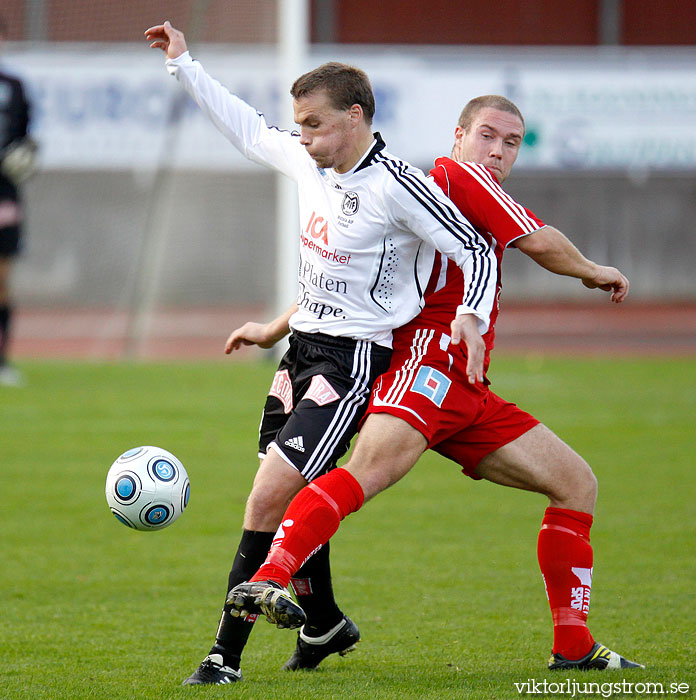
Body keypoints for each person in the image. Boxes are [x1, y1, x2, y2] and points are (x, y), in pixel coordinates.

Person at [228, 96, 644, 672]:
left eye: (511, 143)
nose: (496, 152)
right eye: (487, 136)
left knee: (577, 484)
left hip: (467, 385)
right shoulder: (455, 176)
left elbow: (346, 275)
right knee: (364, 476)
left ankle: (573, 647)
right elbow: (539, 241)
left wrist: (273, 325)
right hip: (427, 362)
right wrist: (596, 271)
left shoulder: (429, 188)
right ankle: (269, 577)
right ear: (458, 137)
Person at [145, 21, 499, 685]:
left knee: (266, 498)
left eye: (313, 125)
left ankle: (222, 656)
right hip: (300, 351)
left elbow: (473, 249)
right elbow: (248, 130)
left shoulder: (400, 186)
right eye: (299, 127)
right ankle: (326, 622)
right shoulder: (311, 162)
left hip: (352, 362)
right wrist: (183, 64)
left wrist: (472, 317)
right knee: (290, 493)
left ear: (355, 116)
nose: (302, 140)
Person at [0, 16, 36, 386]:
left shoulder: (15, 87)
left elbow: (27, 140)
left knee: (2, 279)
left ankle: (2, 361)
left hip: (5, 193)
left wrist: (25, 157)